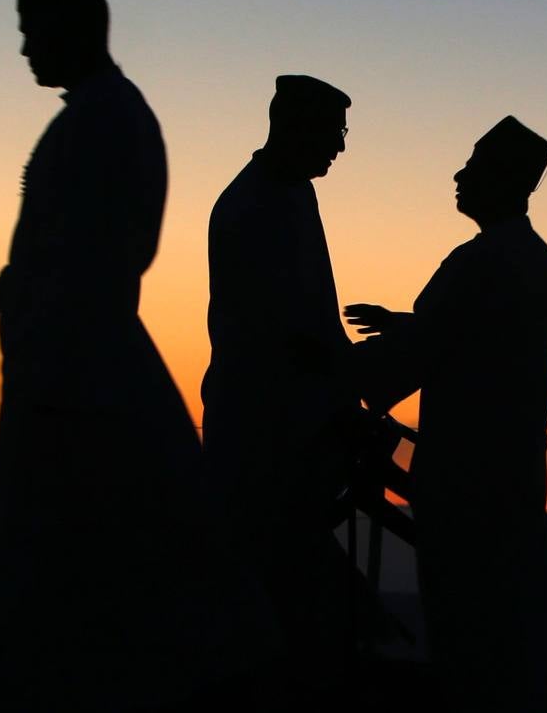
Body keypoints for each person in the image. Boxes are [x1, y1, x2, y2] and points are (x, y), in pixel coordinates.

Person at [0, 0, 214, 711]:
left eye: (30, 25)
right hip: (72, 385)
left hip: (73, 400)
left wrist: (24, 293)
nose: (22, 45)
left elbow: (85, 263)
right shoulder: (102, 117)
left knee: (74, 610)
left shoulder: (103, 122)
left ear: (75, 22)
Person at [346, 116, 547, 712]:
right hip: (510, 481)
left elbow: (426, 352)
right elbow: (477, 339)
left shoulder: (478, 262)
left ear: (506, 181)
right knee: (509, 644)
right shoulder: (533, 260)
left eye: (474, 165)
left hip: (466, 488)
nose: (459, 174)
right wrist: (412, 326)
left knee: (468, 646)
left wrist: (324, 366)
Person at [199, 74, 362, 688]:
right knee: (268, 589)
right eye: (336, 133)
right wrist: (343, 397)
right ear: (297, 128)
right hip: (265, 431)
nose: (341, 148)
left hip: (290, 424)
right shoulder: (255, 205)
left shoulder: (288, 193)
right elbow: (288, 331)